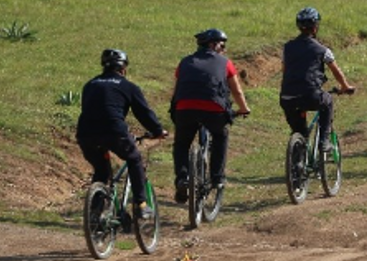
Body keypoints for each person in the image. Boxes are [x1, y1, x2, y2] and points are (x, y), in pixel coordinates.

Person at [76, 49, 169, 220]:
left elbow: (93, 110)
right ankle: (141, 204)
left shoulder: (89, 84)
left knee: (101, 171)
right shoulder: (128, 86)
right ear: (124, 69)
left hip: (85, 133)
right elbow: (144, 113)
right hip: (113, 131)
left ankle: (95, 214)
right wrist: (157, 131)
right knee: (134, 158)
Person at [169, 28, 251, 203]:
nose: (224, 49)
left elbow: (176, 91)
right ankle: (217, 177)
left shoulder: (184, 62)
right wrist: (244, 108)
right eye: (222, 45)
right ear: (213, 45)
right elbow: (236, 90)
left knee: (182, 144)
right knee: (221, 135)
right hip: (214, 109)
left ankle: (182, 178)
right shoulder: (225, 63)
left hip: (185, 108)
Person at [280, 7, 356, 154]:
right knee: (327, 102)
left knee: (300, 131)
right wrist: (345, 86)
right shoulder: (322, 49)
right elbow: (336, 72)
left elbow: (284, 70)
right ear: (315, 28)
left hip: (287, 97)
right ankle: (324, 141)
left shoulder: (287, 48)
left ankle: (298, 162)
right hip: (310, 95)